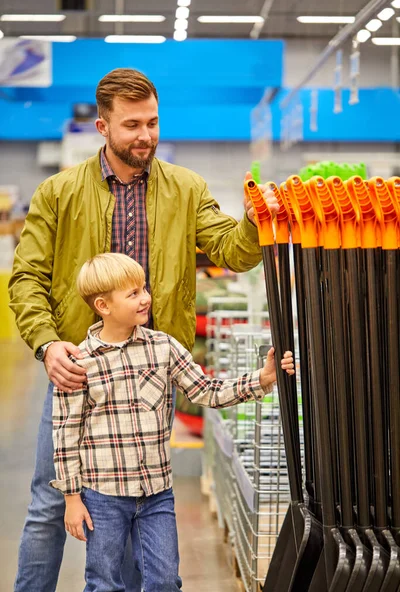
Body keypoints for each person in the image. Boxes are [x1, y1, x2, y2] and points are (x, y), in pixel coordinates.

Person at [9, 67, 280, 592]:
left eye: (152, 123)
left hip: (151, 379)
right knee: (48, 505)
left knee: (137, 507)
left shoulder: (185, 188)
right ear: (103, 128)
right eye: (132, 125)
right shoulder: (59, 192)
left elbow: (230, 249)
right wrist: (46, 345)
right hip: (79, 373)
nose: (145, 136)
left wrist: (251, 221)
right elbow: (27, 278)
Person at [50, 253, 295, 592]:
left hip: (156, 493)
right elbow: (65, 433)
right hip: (102, 495)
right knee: (104, 582)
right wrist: (72, 498)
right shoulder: (80, 362)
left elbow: (208, 391)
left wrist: (263, 378)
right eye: (132, 293)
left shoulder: (163, 347)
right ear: (103, 305)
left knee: (165, 581)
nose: (145, 297)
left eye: (143, 288)